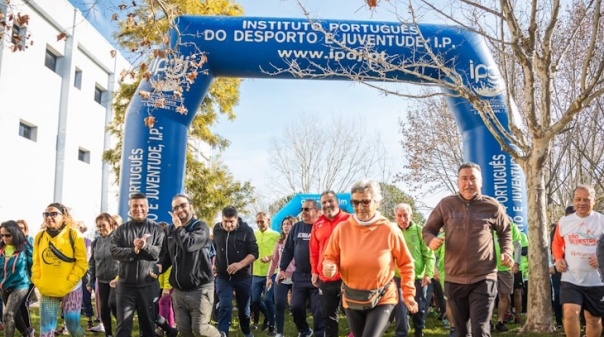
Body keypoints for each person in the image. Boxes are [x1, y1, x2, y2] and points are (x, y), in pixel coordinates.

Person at [422, 162, 513, 337]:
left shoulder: (492, 206)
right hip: (454, 278)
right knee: (461, 331)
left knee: (480, 329)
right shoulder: (446, 204)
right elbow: (428, 229)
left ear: (481, 182)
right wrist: (431, 240)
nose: (468, 183)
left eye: (473, 178)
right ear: (458, 182)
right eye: (464, 178)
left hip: (484, 277)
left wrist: (506, 251)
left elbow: (505, 232)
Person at [323, 179, 418, 337]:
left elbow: (406, 263)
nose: (360, 207)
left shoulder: (390, 230)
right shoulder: (342, 229)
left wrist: (408, 294)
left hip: (383, 297)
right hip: (352, 298)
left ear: (377, 201)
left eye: (365, 202)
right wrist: (329, 266)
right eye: (355, 202)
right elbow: (329, 257)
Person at [157, 194, 223, 337]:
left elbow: (189, 244)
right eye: (175, 208)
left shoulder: (201, 227)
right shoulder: (170, 230)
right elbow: (166, 256)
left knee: (200, 329)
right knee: (185, 331)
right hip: (179, 291)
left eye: (183, 205)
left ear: (191, 207)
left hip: (200, 288)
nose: (180, 210)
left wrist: (179, 228)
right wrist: (159, 267)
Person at [110, 193, 172, 337]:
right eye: (135, 206)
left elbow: (160, 253)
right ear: (130, 209)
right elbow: (114, 251)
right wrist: (134, 250)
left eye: (142, 205)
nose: (138, 209)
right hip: (126, 286)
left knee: (148, 326)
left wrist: (145, 246)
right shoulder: (121, 230)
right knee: (123, 327)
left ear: (147, 208)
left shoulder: (156, 229)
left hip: (148, 286)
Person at [552, 185, 604, 337]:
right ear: (574, 201)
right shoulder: (565, 221)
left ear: (593, 200)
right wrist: (558, 258)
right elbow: (557, 243)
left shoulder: (601, 221)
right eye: (578, 199)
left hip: (597, 281)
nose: (582, 203)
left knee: (593, 319)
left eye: (586, 200)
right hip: (571, 278)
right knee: (569, 313)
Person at [32, 202, 88, 337]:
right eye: (46, 214)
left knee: (72, 326)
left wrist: (69, 282)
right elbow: (36, 263)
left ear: (64, 217)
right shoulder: (39, 237)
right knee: (46, 328)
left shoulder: (74, 234)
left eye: (54, 214)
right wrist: (38, 281)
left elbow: (82, 263)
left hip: (71, 288)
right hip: (48, 289)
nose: (49, 217)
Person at [278, 199, 324, 337]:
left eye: (307, 209)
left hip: (318, 277)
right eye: (302, 209)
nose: (303, 212)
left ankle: (320, 333)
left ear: (316, 211)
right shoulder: (297, 227)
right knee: (295, 306)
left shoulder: (322, 227)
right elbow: (288, 250)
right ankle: (304, 330)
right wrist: (282, 269)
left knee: (318, 309)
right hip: (300, 276)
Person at [309, 191, 350, 337]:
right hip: (325, 277)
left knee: (353, 313)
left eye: (330, 201)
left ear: (337, 202)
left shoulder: (349, 220)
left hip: (347, 276)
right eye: (324, 202)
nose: (327, 205)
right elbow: (313, 249)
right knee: (328, 315)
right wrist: (314, 271)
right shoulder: (318, 223)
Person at [213, 206, 258, 337]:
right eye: (225, 221)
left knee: (244, 310)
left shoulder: (246, 231)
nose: (228, 225)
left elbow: (254, 253)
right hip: (223, 277)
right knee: (225, 305)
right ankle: (222, 333)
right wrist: (215, 263)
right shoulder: (217, 229)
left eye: (231, 221)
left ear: (237, 219)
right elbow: (216, 248)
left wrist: (240, 264)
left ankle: (246, 330)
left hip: (243, 277)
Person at [392, 203, 435, 337]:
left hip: (418, 278)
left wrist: (428, 274)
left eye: (405, 215)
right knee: (400, 306)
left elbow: (429, 255)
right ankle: (401, 333)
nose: (403, 219)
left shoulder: (420, 231)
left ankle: (418, 330)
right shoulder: (392, 232)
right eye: (399, 216)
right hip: (398, 277)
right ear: (395, 217)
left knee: (419, 309)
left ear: (411, 215)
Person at [87, 213, 120, 337]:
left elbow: (125, 259)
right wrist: (90, 282)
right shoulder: (96, 242)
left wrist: (120, 276)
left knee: (113, 303)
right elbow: (92, 263)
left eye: (103, 225)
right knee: (104, 309)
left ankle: (122, 327)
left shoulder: (118, 239)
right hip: (102, 280)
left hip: (116, 279)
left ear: (111, 224)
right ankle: (109, 334)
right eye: (98, 226)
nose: (101, 229)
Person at [0, 220, 33, 337]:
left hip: (21, 285)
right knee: (15, 315)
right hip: (4, 286)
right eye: (2, 235)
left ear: (15, 233)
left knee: (8, 314)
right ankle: (27, 334)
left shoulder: (24, 247)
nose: (4, 238)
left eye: (8, 235)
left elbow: (34, 264)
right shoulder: (1, 248)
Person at [250, 212, 279, 335]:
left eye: (262, 221)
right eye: (257, 222)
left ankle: (272, 327)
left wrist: (270, 257)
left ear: (268, 220)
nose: (259, 224)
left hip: (271, 273)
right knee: (255, 301)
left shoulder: (276, 235)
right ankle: (269, 316)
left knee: (268, 300)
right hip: (256, 273)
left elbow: (280, 254)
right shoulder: (253, 234)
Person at [266, 216, 295, 337]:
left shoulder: (298, 240)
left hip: (296, 278)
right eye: (284, 224)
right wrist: (269, 277)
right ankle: (279, 332)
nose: (286, 226)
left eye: (288, 224)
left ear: (294, 225)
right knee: (279, 304)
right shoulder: (279, 241)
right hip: (281, 277)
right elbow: (274, 260)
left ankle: (303, 329)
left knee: (296, 307)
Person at [492, 221, 523, 332]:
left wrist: (517, 263)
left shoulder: (512, 226)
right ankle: (488, 321)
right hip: (489, 268)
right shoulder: (488, 225)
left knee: (504, 296)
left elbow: (518, 245)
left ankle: (500, 321)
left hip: (506, 268)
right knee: (488, 296)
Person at [15, 219, 36, 335]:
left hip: (30, 278)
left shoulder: (30, 240)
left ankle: (28, 328)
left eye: (22, 228)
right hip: (17, 279)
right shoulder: (11, 242)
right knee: (16, 306)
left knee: (23, 302)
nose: (19, 230)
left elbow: (32, 258)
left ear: (25, 229)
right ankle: (24, 329)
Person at [77, 221, 95, 331]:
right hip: (72, 273)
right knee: (68, 299)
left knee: (86, 297)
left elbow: (88, 257)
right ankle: (65, 325)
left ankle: (89, 321)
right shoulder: (68, 242)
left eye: (80, 227)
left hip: (84, 273)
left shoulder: (88, 242)